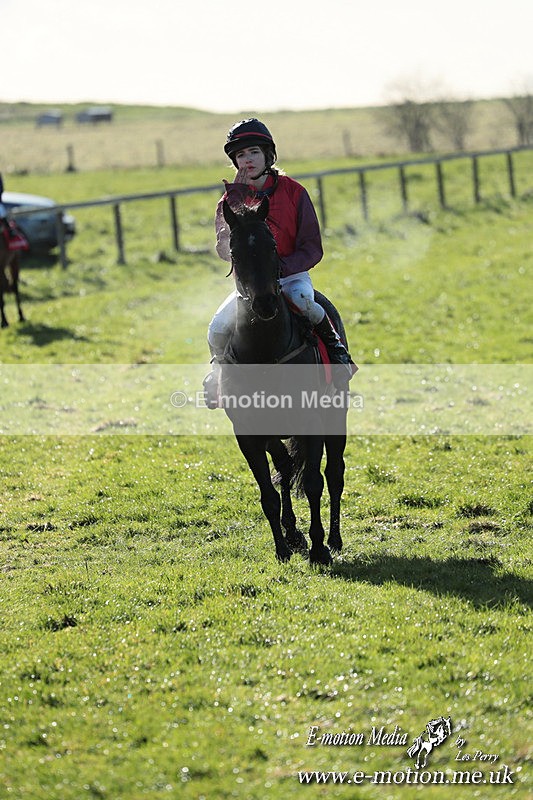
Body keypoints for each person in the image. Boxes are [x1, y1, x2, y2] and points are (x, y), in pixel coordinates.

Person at [204, 119, 353, 406]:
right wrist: (235, 200)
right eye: (241, 155)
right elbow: (224, 249)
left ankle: (338, 355)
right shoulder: (228, 200)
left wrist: (281, 268)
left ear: (268, 155)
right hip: (250, 286)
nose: (247, 160)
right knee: (217, 327)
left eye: (254, 152)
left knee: (306, 303)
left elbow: (312, 247)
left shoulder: (294, 192)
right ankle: (216, 378)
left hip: (290, 276)